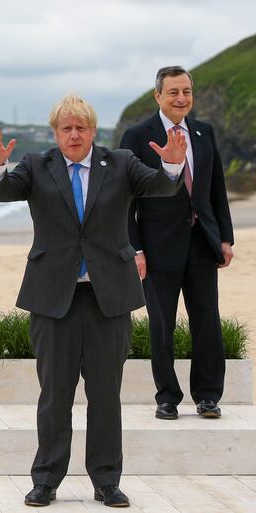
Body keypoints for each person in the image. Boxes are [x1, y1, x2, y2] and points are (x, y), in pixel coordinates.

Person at [0, 94, 186, 508]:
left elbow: (161, 187)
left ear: (93, 131)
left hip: (108, 297)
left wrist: (172, 164)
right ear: (55, 133)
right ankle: (46, 480)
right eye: (66, 128)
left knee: (106, 395)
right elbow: (1, 193)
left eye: (81, 128)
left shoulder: (122, 163)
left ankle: (107, 481)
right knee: (54, 395)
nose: (74, 135)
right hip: (53, 297)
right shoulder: (37, 165)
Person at [120, 66, 234, 421]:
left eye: (187, 91)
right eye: (173, 92)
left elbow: (216, 189)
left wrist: (225, 237)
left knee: (207, 322)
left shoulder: (203, 132)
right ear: (158, 96)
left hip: (202, 242)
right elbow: (125, 200)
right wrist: (135, 249)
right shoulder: (137, 136)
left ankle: (208, 396)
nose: (181, 98)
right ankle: (167, 397)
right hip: (158, 247)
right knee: (161, 325)